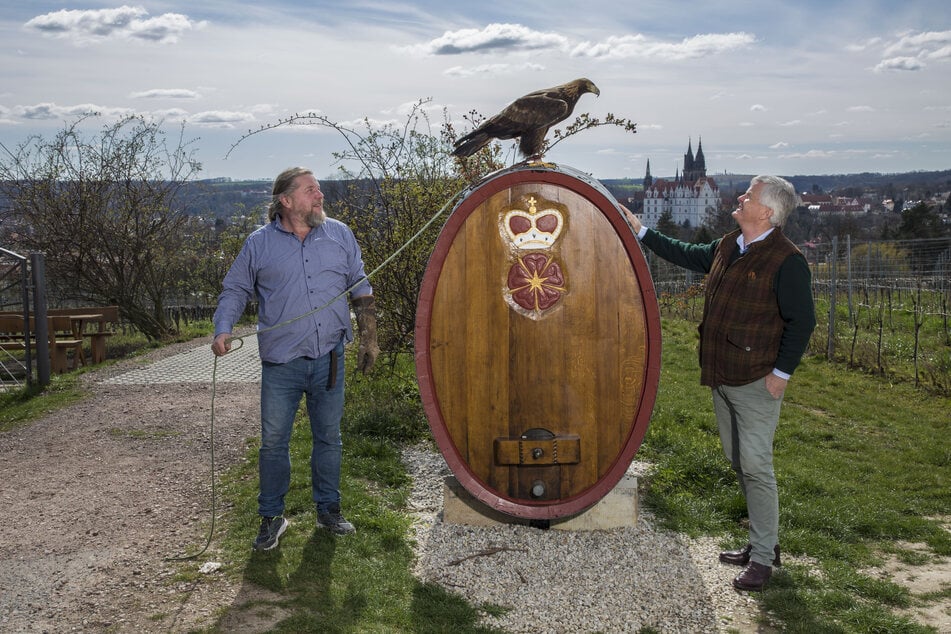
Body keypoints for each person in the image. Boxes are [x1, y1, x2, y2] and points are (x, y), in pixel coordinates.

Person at [621, 175, 816, 592]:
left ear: (767, 211)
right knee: (738, 461)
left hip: (756, 381)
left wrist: (781, 376)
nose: (741, 197)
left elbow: (804, 321)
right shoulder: (730, 244)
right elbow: (689, 253)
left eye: (749, 195)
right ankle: (764, 541)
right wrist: (641, 231)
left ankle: (763, 558)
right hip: (723, 374)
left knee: (757, 467)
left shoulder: (786, 261)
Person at [212, 166, 379, 551]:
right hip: (282, 362)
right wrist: (223, 328)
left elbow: (361, 286)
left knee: (329, 438)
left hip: (329, 357)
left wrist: (370, 339)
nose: (319, 196)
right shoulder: (258, 244)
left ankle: (329, 510)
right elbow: (235, 289)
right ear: (286, 201)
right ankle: (271, 518)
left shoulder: (340, 235)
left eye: (319, 190)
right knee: (273, 443)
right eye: (310, 191)